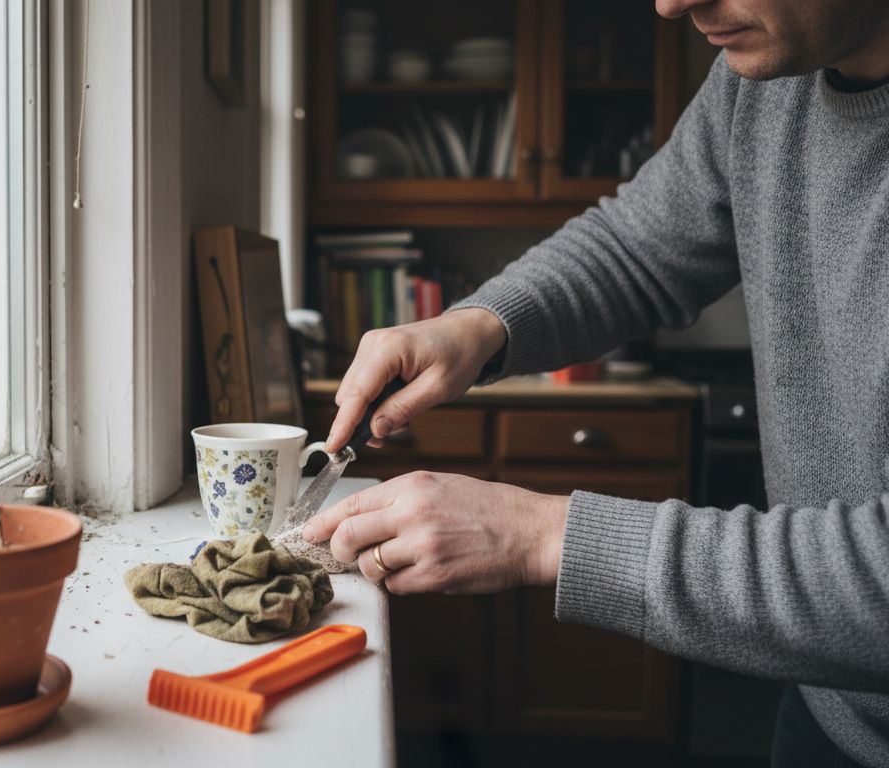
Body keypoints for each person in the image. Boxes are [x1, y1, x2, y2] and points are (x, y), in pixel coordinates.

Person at [303, 0, 889, 764]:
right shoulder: (765, 79)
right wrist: (476, 328)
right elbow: (639, 246)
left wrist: (542, 536)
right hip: (832, 708)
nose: (672, 4)